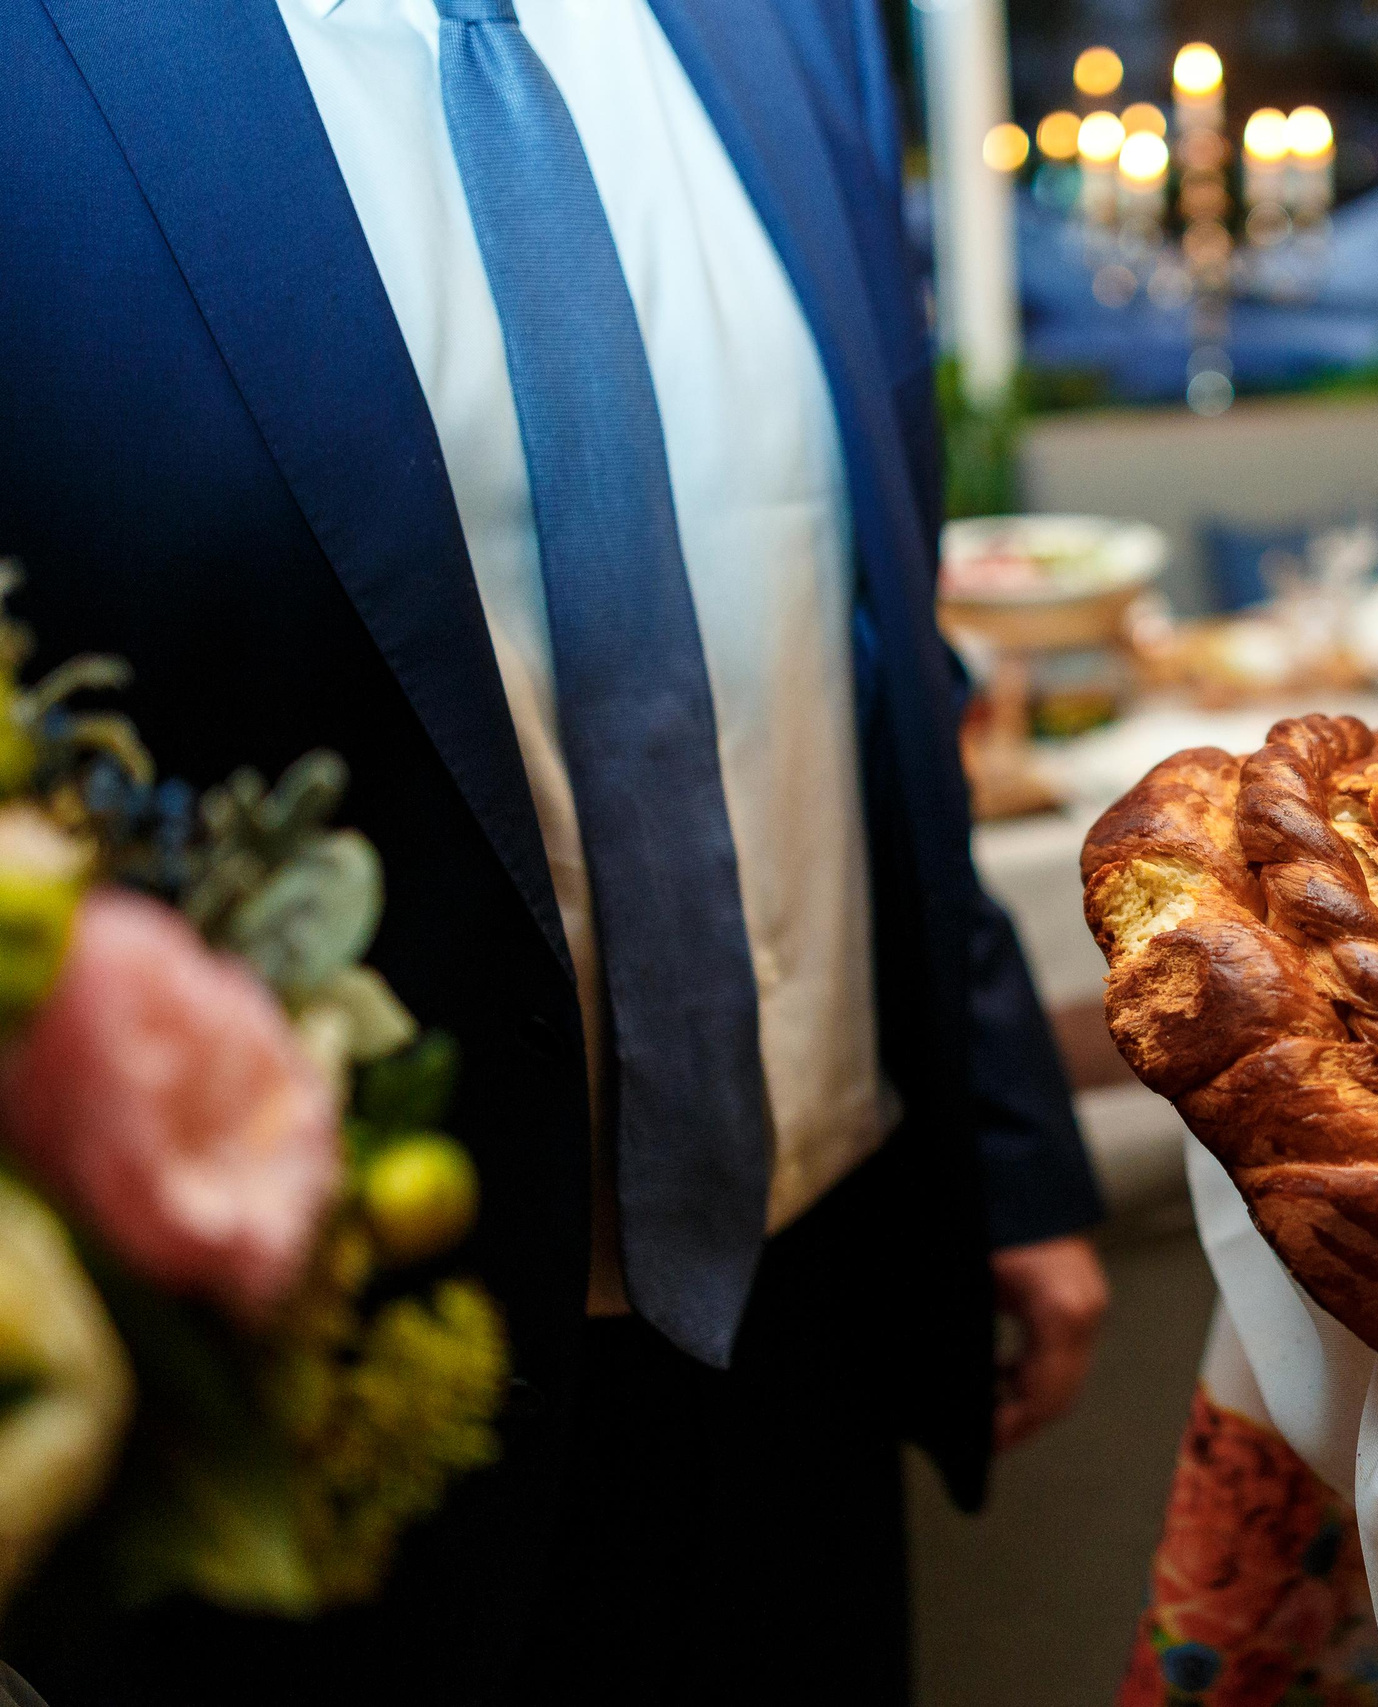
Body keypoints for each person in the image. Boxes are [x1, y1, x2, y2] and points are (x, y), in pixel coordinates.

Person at [0, 0, 1108, 1700]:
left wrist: (1013, 1156)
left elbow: (874, 639)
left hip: (812, 1304)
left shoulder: (791, 25)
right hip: (331, 1426)